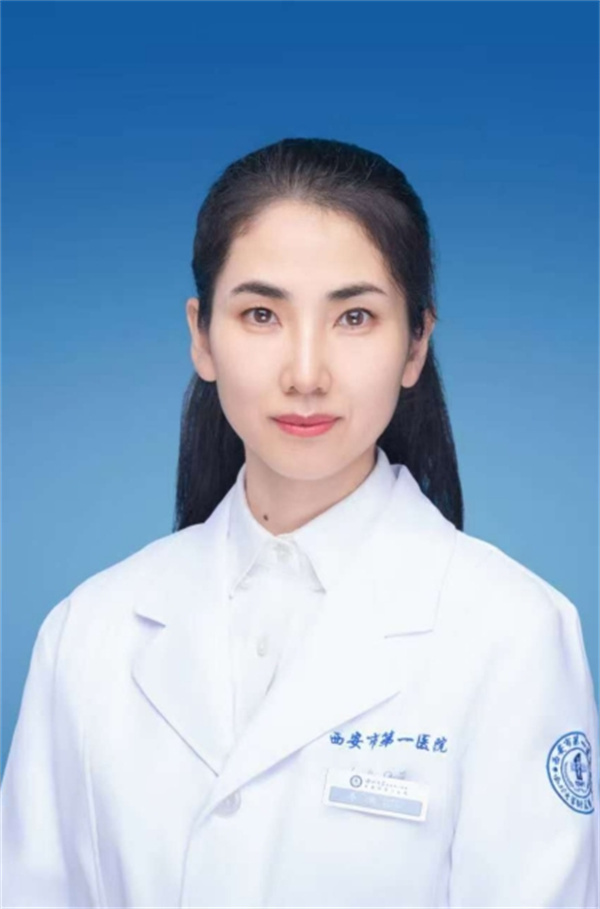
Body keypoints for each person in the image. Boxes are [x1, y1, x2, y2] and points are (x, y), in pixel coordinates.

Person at [2, 137, 597, 909]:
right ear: (201, 336)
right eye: (261, 314)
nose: (306, 374)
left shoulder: (513, 633)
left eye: (354, 316)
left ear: (415, 343)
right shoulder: (90, 630)